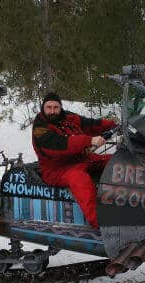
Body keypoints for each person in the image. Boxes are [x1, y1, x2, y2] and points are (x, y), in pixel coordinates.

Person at [32, 92, 117, 229]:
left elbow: (91, 124)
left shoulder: (68, 117)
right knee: (80, 179)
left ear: (60, 107)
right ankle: (101, 224)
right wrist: (89, 140)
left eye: (56, 107)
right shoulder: (40, 128)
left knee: (116, 161)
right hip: (57, 170)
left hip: (83, 160)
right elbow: (61, 144)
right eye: (49, 107)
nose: (52, 111)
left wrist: (113, 125)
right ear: (43, 108)